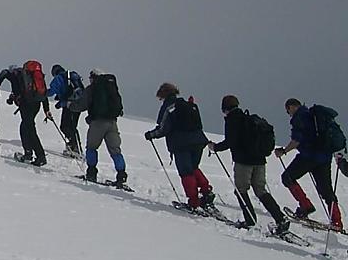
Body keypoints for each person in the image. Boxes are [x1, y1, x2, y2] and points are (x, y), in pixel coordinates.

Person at [207, 95, 288, 232]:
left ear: (225, 108)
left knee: (240, 190)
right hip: (260, 160)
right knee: (260, 190)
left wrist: (215, 147)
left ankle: (250, 220)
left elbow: (230, 141)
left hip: (244, 161)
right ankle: (280, 218)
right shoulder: (248, 118)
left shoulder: (232, 120)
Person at [274, 98, 342, 231]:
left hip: (309, 156)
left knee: (287, 177)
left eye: (288, 111)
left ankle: (305, 206)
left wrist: (284, 151)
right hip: (324, 157)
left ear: (291, 107)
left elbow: (296, 140)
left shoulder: (299, 117)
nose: (289, 114)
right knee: (326, 190)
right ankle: (337, 221)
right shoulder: (314, 116)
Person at [144, 82, 214, 211]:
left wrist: (151, 135)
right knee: (194, 168)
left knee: (186, 172)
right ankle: (206, 191)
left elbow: (164, 128)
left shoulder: (169, 107)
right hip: (199, 141)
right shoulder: (189, 105)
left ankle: (193, 202)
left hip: (182, 144)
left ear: (163, 94)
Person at [0, 63, 51, 166]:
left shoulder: (14, 75)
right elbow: (42, 94)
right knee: (26, 127)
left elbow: (4, 73)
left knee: (29, 129)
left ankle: (39, 156)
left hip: (26, 105)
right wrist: (46, 110)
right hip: (36, 105)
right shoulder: (31, 78)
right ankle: (29, 153)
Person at [77, 69, 127, 185]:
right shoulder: (111, 86)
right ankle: (121, 176)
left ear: (93, 77)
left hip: (98, 123)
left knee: (91, 148)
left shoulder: (93, 88)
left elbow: (81, 105)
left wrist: (69, 105)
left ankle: (91, 173)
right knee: (115, 151)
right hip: (112, 123)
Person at [48, 64, 82, 155]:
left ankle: (74, 146)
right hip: (78, 105)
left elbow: (51, 91)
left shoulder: (59, 78)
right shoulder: (71, 77)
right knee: (72, 127)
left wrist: (41, 93)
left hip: (69, 105)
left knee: (65, 126)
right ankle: (76, 147)